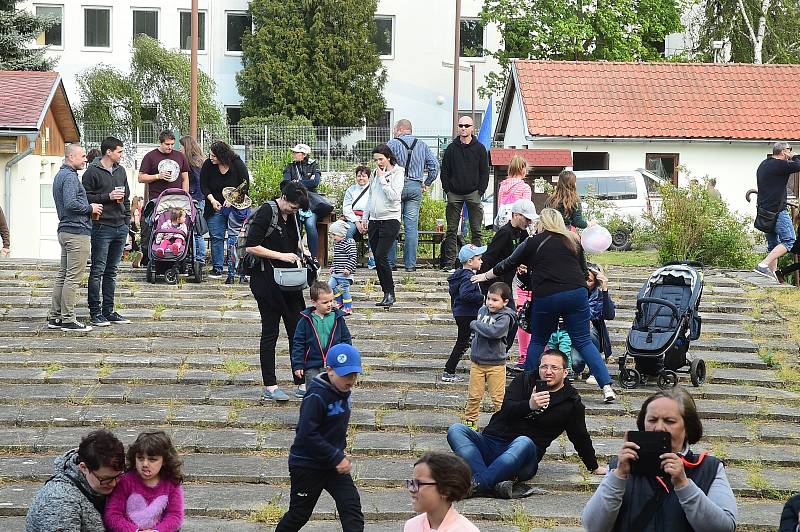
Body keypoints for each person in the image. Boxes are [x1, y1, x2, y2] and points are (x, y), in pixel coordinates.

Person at [471, 208, 617, 403]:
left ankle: (527, 386)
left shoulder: (532, 242)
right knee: (583, 341)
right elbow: (583, 271)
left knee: (539, 341)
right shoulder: (573, 240)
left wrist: (485, 275)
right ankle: (606, 387)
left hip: (547, 296)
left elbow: (508, 263)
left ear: (543, 223)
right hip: (576, 294)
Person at [448, 349, 607, 498]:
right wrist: (529, 405)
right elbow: (506, 410)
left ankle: (476, 484)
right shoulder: (524, 380)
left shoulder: (571, 402)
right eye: (544, 366)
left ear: (565, 372)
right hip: (491, 443)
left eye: (554, 368)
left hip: (524, 458)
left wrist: (593, 466)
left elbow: (580, 436)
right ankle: (493, 483)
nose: (548, 371)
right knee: (457, 429)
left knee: (523, 441)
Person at [582, 387, 737, 532]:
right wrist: (618, 476)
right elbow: (593, 527)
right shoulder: (620, 467)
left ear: (687, 428)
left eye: (669, 421)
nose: (659, 428)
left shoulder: (708, 468)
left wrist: (684, 485)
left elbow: (724, 528)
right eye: (652, 420)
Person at [275, 343, 364, 532]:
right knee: (299, 515)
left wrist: (337, 453)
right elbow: (307, 435)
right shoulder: (316, 396)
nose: (351, 380)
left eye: (354, 374)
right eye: (346, 375)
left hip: (333, 466)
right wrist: (336, 456)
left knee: (352, 509)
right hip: (307, 465)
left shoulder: (344, 393)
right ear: (330, 370)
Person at [244, 180, 309, 402]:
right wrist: (281, 256)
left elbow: (293, 241)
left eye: (297, 208)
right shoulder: (266, 211)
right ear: (283, 198)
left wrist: (302, 250)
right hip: (266, 280)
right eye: (292, 206)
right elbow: (251, 246)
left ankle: (300, 381)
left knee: (297, 331)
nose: (294, 210)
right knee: (270, 332)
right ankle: (270, 385)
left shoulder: (292, 215)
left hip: (289, 281)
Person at [26, 429, 125, 532]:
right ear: (84, 468)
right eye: (105, 479)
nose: (114, 484)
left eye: (118, 476)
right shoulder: (60, 503)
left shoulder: (96, 481)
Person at [48, 144, 102, 332]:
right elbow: (71, 204)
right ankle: (68, 319)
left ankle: (55, 317)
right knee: (72, 277)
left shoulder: (59, 175)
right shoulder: (70, 177)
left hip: (65, 230)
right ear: (71, 157)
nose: (85, 159)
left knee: (63, 276)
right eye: (82, 156)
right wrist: (90, 208)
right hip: (76, 232)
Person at [82, 137, 132, 328]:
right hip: (102, 226)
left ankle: (108, 311)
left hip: (120, 226)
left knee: (112, 271)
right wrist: (107, 197)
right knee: (98, 270)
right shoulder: (91, 173)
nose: (121, 154)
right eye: (119, 151)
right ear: (109, 152)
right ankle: (95, 312)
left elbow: (126, 197)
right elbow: (85, 198)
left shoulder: (121, 170)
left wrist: (127, 221)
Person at [478, 198, 538, 355]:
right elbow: (489, 257)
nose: (529, 222)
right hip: (494, 283)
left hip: (507, 284)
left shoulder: (523, 233)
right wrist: (483, 281)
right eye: (527, 218)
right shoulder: (504, 233)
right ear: (516, 215)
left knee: (512, 321)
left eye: (531, 219)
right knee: (502, 320)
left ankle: (500, 353)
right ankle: (491, 354)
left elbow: (525, 256)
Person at [387, 119, 440, 272]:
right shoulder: (422, 145)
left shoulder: (392, 144)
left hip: (396, 187)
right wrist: (427, 183)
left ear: (400, 129)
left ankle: (391, 263)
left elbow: (382, 164)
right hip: (415, 187)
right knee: (411, 228)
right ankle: (410, 265)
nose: (394, 133)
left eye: (395, 130)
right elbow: (434, 166)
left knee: (393, 225)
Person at [104, 430, 184, 532]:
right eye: (140, 458)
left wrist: (157, 531)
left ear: (164, 461)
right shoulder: (125, 481)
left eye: (152, 459)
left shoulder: (171, 483)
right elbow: (112, 514)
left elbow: (175, 515)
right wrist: (134, 530)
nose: (145, 464)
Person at [464, 281, 516, 430]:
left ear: (505, 302)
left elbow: (494, 332)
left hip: (495, 364)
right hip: (477, 362)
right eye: (488, 299)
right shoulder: (482, 310)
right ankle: (470, 421)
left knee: (498, 398)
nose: (490, 303)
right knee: (474, 395)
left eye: (495, 300)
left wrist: (474, 324)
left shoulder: (505, 317)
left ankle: (503, 424)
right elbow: (479, 333)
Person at [440, 116, 490, 269]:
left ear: (472, 128)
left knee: (476, 229)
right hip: (454, 193)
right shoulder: (451, 148)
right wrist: (447, 189)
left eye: (466, 125)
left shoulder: (480, 149)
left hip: (473, 193)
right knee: (451, 230)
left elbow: (485, 172)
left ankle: (477, 262)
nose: (463, 128)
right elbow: (445, 171)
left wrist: (480, 191)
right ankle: (449, 263)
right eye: (461, 125)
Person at [292, 281, 353, 399]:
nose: (330, 304)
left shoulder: (338, 318)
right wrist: (298, 364)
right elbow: (298, 343)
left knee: (334, 393)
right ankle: (314, 415)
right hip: (312, 366)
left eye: (331, 301)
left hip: (334, 365)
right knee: (314, 394)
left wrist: (347, 360)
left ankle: (332, 415)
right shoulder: (305, 320)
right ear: (314, 302)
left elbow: (346, 340)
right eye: (325, 302)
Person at [201, 140, 250, 279]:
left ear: (222, 156)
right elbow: (204, 185)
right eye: (210, 155)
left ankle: (236, 266)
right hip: (215, 205)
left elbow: (245, 184)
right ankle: (217, 267)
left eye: (214, 156)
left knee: (236, 238)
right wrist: (212, 200)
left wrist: (232, 199)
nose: (211, 158)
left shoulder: (237, 163)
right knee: (217, 236)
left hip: (235, 207)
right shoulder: (208, 165)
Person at [363, 144, 404, 308]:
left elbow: (394, 196)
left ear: (388, 157)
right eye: (376, 160)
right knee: (376, 258)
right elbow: (371, 196)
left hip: (390, 219)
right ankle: (386, 292)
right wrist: (365, 216)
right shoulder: (374, 173)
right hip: (374, 219)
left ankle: (390, 292)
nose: (378, 163)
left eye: (381, 159)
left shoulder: (398, 172)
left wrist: (383, 179)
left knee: (381, 255)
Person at [752, 142, 800, 281]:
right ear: (783, 151)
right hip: (777, 210)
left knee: (773, 244)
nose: (791, 153)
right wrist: (794, 155)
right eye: (789, 150)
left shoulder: (765, 164)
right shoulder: (780, 165)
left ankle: (771, 275)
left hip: (765, 210)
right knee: (789, 240)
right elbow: (798, 165)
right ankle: (763, 265)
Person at [442, 244, 487, 383]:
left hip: (461, 313)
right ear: (470, 261)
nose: (481, 261)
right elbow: (465, 294)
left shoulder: (459, 275)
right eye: (479, 259)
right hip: (467, 313)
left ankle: (481, 368)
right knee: (463, 342)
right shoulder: (469, 277)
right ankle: (449, 371)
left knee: (469, 341)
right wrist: (482, 298)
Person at [403, 452, 479, 532]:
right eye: (412, 483)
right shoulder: (412, 526)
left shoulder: (465, 530)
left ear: (446, 490)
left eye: (419, 483)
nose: (412, 489)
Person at [574, 263, 616, 384]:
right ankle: (578, 368)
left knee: (590, 329)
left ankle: (594, 370)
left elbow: (609, 315)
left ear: (595, 283)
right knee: (576, 364)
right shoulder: (572, 293)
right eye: (583, 278)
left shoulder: (598, 296)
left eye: (589, 280)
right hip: (572, 335)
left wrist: (605, 288)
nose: (585, 282)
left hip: (591, 336)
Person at [283, 143, 322, 258]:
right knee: (295, 227)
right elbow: (286, 183)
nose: (293, 154)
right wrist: (306, 182)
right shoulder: (289, 166)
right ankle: (296, 255)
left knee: (310, 225)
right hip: (294, 202)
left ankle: (313, 257)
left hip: (310, 203)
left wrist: (296, 182)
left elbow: (315, 182)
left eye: (296, 152)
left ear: (304, 154)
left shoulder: (313, 165)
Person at [180, 135, 208, 274]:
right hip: (198, 198)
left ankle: (199, 260)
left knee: (196, 231)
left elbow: (197, 181)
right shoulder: (200, 161)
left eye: (181, 147)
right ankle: (198, 259)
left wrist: (191, 195)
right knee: (197, 231)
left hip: (194, 198)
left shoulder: (192, 162)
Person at [137, 130, 190, 202]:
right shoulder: (150, 156)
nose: (170, 147)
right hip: (158, 199)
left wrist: (185, 196)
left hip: (177, 198)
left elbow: (185, 179)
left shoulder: (180, 156)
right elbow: (140, 178)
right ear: (160, 143)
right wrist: (158, 176)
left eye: (172, 144)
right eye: (167, 144)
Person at [342, 165, 375, 268]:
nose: (361, 178)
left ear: (368, 177)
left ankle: (372, 259)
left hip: (370, 218)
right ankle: (350, 260)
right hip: (353, 218)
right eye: (359, 176)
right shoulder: (351, 190)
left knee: (374, 231)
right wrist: (357, 222)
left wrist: (366, 221)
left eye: (364, 176)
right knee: (348, 231)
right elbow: (346, 208)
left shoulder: (373, 189)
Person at [221, 184, 252, 284]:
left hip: (232, 235)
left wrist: (227, 205)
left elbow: (223, 213)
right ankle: (242, 277)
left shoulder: (230, 209)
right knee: (242, 256)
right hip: (244, 235)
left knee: (231, 257)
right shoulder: (247, 210)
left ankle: (231, 276)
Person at [494, 155, 532, 229]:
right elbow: (527, 210)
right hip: (518, 224)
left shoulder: (502, 186)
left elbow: (499, 206)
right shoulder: (525, 188)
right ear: (523, 170)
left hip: (503, 224)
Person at [328, 219, 357, 314]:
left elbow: (353, 257)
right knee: (330, 286)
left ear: (341, 234)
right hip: (336, 273)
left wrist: (348, 268)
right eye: (332, 235)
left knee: (344, 290)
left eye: (334, 235)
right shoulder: (337, 244)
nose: (333, 237)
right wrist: (333, 266)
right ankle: (340, 302)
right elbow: (336, 258)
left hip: (345, 274)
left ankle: (348, 307)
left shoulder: (349, 243)